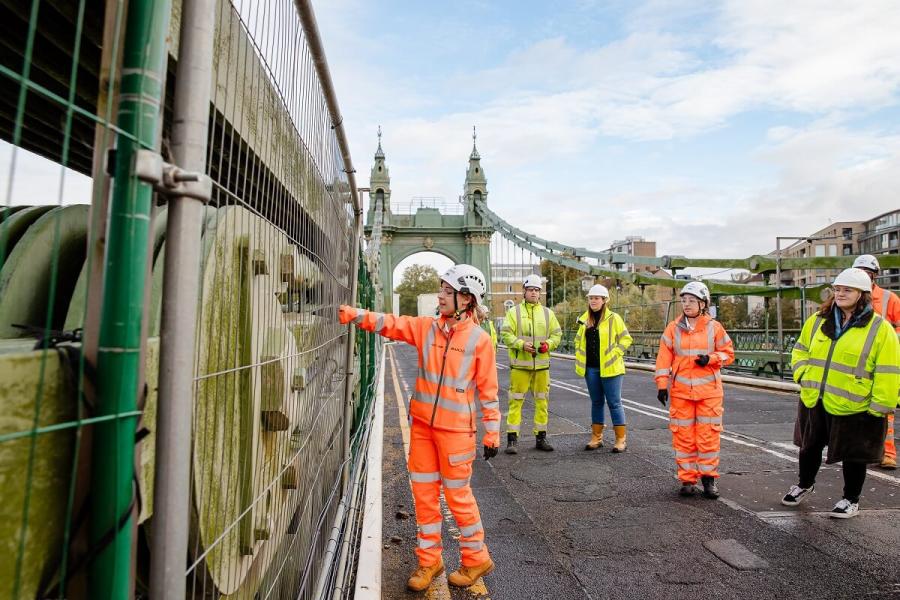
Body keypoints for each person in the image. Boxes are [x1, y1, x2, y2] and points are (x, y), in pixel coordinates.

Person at [339, 264, 500, 590]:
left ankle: (476, 559)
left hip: (456, 434)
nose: (440, 296)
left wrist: (493, 432)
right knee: (424, 499)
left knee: (458, 500)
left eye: (447, 291)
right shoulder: (427, 329)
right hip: (423, 429)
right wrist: (355, 314)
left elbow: (489, 391)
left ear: (466, 298)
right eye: (440, 290)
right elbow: (391, 323)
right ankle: (429, 563)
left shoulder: (480, 341)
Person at [782, 268, 899, 517]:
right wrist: (803, 373)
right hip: (816, 397)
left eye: (847, 290)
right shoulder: (818, 321)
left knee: (853, 454)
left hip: (855, 403)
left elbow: (889, 369)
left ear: (862, 294)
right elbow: (800, 350)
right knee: (809, 446)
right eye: (837, 289)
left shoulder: (880, 329)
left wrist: (881, 405)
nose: (840, 294)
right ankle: (804, 484)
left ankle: (851, 499)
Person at [655, 281, 734, 499]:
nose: (687, 304)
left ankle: (709, 480)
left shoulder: (714, 327)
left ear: (703, 304)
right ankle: (687, 480)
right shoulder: (673, 328)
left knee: (708, 437)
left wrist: (711, 359)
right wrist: (662, 385)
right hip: (681, 392)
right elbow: (663, 358)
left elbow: (728, 354)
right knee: (684, 437)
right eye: (684, 300)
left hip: (709, 393)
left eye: (692, 301)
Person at [500, 274, 562, 453]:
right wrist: (521, 344)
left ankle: (541, 438)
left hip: (542, 367)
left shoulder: (548, 313)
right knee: (515, 402)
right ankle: (512, 440)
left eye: (537, 290)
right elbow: (506, 334)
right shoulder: (514, 312)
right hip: (520, 366)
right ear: (524, 292)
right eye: (530, 290)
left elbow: (557, 335)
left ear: (540, 293)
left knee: (542, 402)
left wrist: (548, 344)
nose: (534, 293)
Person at [852, 254, 900, 470]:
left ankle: (887, 453)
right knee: (854, 407)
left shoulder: (889, 299)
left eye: (868, 273)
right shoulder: (849, 297)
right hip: (856, 362)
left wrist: (889, 343)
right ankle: (859, 450)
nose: (865, 276)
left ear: (874, 276)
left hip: (883, 362)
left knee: (883, 408)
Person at [573, 284, 633, 452]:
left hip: (611, 368)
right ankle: (596, 437)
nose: (593, 301)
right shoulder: (584, 319)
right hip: (591, 368)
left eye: (597, 298)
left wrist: (615, 354)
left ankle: (621, 439)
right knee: (597, 402)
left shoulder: (614, 318)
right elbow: (578, 340)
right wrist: (579, 353)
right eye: (591, 298)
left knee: (614, 403)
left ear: (604, 300)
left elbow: (626, 339)